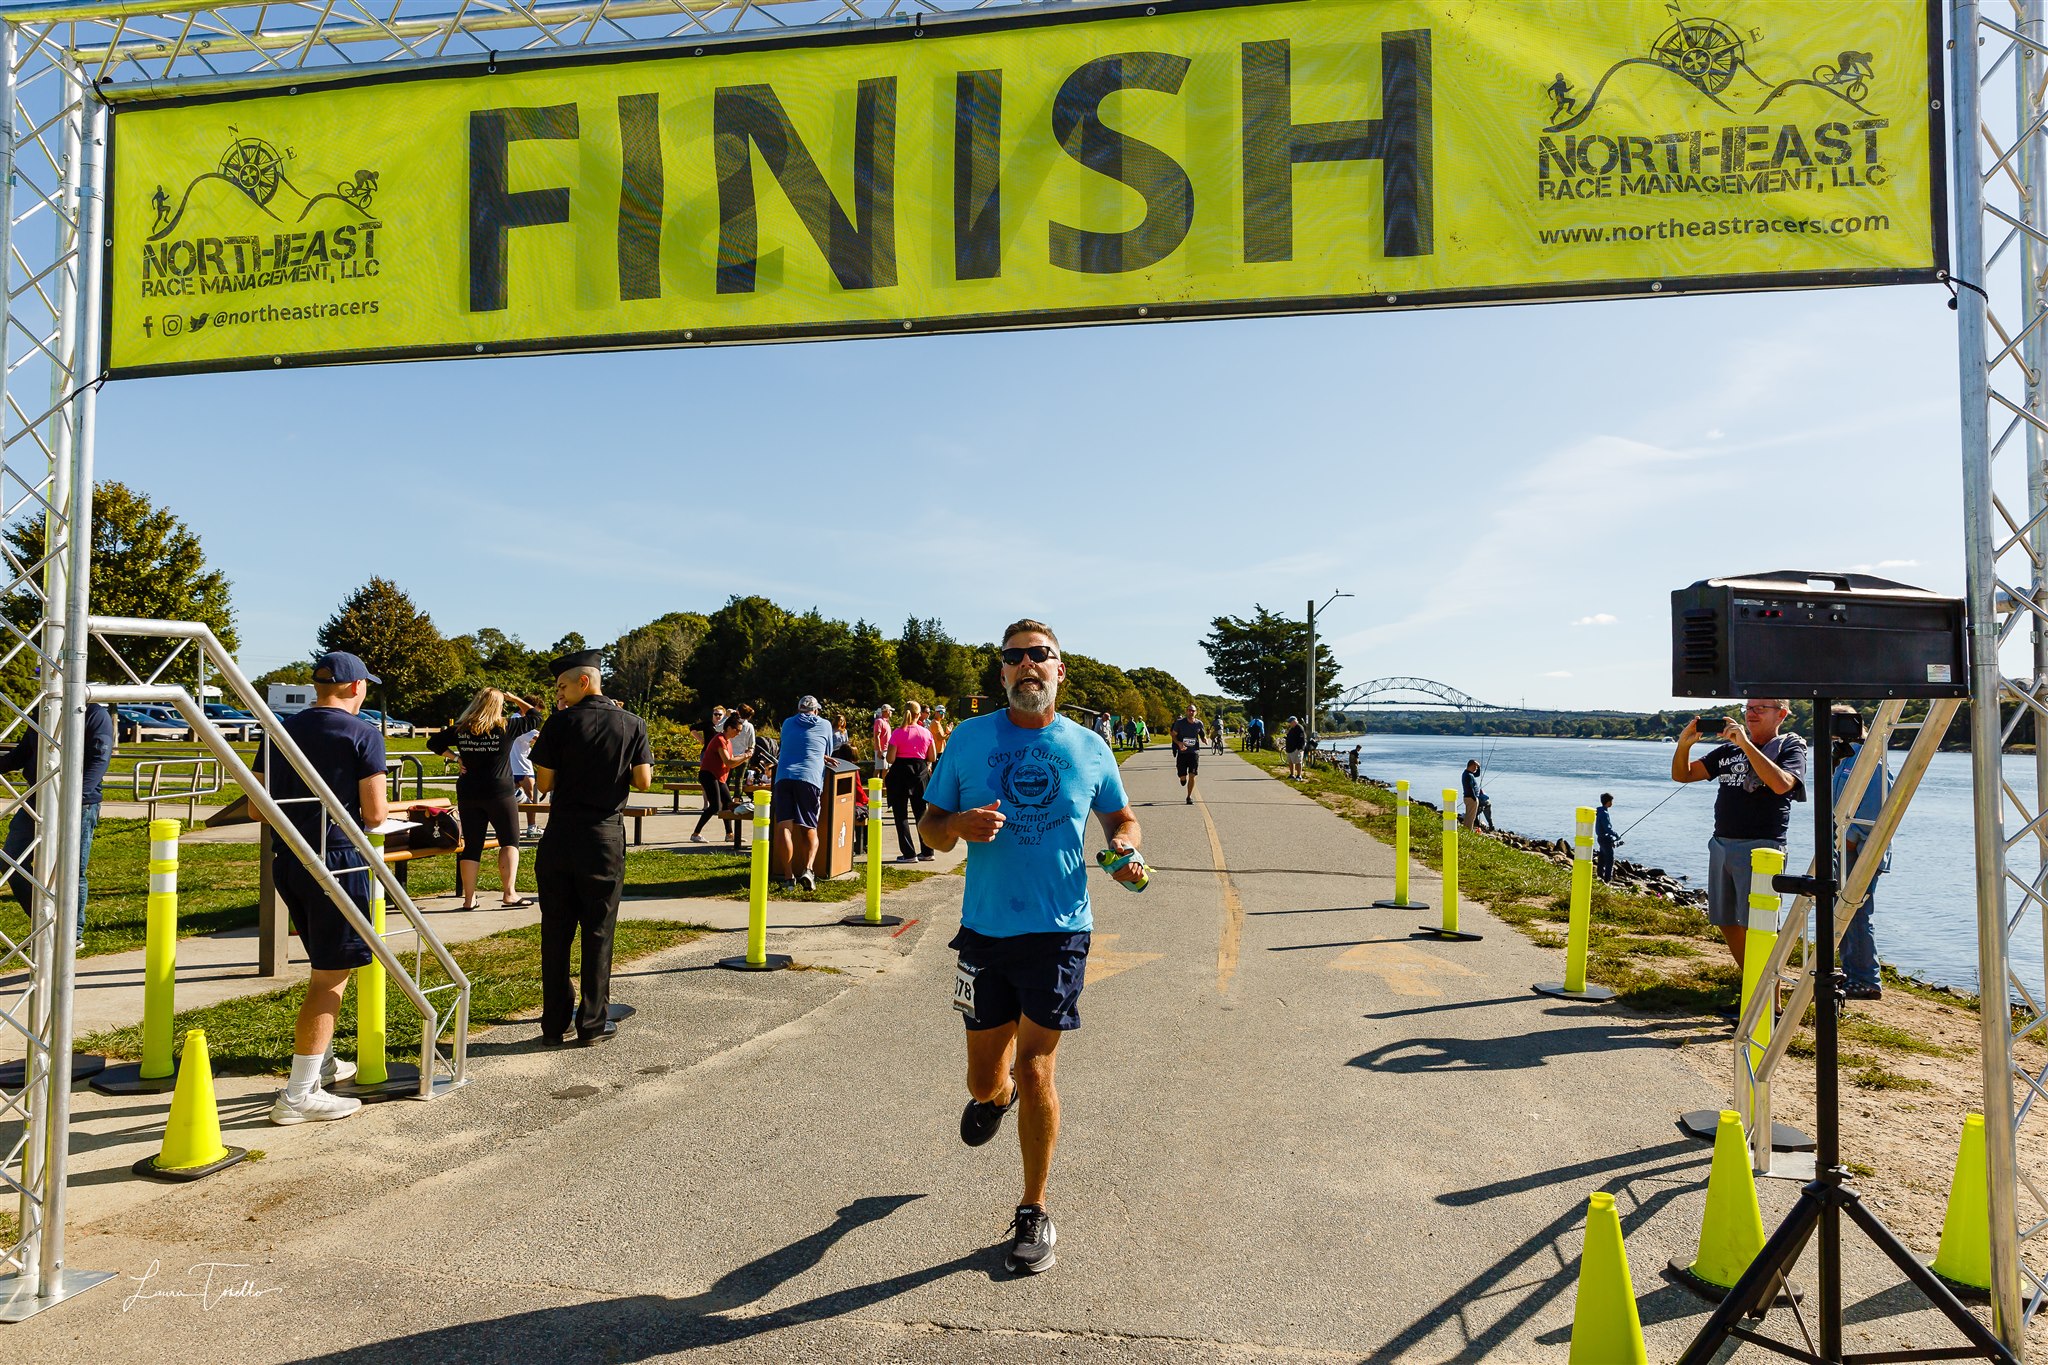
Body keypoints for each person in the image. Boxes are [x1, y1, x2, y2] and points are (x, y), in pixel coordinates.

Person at [920, 618, 1143, 1276]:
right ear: (1002, 673)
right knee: (985, 1078)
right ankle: (994, 1099)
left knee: (1036, 1068)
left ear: (1059, 669)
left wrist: (1126, 846)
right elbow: (930, 828)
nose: (1027, 666)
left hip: (1060, 930)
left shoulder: (1090, 746)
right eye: (1013, 658)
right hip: (985, 932)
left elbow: (1120, 817)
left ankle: (1033, 1207)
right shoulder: (967, 739)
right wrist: (957, 824)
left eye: (1038, 655)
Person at [253, 652, 386, 1124]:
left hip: (289, 859)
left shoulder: (280, 729)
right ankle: (297, 1095)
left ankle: (322, 1063)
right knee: (331, 976)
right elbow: (374, 815)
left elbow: (256, 809)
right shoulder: (363, 733)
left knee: (322, 963)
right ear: (355, 688)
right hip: (338, 863)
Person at [530, 649, 654, 1046]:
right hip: (604, 835)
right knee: (599, 931)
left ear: (585, 681)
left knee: (556, 931)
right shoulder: (633, 724)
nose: (559, 695)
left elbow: (544, 784)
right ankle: (592, 1023)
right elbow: (644, 781)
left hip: (562, 833)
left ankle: (554, 1024)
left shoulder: (559, 724)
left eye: (563, 686)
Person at [1672, 699, 1808, 971]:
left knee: (1760, 924)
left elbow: (1782, 785)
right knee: (1725, 920)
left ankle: (1771, 1000)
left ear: (1781, 714)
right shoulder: (1727, 751)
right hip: (1722, 843)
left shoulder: (1790, 747)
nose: (1751, 714)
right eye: (1748, 708)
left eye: (1760, 708)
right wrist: (1684, 745)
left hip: (1762, 848)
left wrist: (1746, 744)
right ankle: (1754, 986)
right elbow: (1683, 775)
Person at [0, 701, 113, 948]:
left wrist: (73, 799)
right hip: (37, 800)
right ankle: (46, 924)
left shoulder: (93, 713)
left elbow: (99, 758)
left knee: (71, 870)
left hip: (78, 804)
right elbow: (22, 754)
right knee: (11, 860)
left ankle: (72, 933)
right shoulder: (41, 712)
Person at [429, 686, 542, 910]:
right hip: (500, 792)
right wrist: (515, 698)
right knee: (510, 841)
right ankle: (509, 893)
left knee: (472, 845)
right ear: (498, 706)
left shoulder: (462, 728)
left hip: (469, 791)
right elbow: (536, 716)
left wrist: (455, 757)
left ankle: (469, 899)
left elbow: (433, 743)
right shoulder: (507, 726)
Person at [1831, 706, 1893, 1001]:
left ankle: (1866, 980)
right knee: (1843, 912)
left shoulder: (1866, 758)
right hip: (1844, 849)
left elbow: (1874, 809)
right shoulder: (1842, 758)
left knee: (1856, 913)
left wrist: (1852, 842)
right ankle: (1852, 973)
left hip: (1859, 851)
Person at [773, 695, 834, 892]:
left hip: (784, 777)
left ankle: (788, 877)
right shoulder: (825, 725)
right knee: (809, 826)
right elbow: (828, 750)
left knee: (784, 826)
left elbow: (789, 745)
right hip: (809, 778)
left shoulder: (787, 723)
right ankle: (808, 870)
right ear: (816, 710)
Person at [885, 700, 936, 861]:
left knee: (901, 815)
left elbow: (891, 759)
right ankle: (928, 851)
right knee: (921, 814)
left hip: (900, 773)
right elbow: (932, 757)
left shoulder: (898, 733)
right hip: (920, 773)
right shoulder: (926, 733)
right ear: (919, 714)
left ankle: (908, 853)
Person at [691, 713, 744, 845]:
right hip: (708, 775)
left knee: (728, 804)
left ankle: (729, 834)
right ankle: (695, 834)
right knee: (714, 806)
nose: (738, 733)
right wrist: (745, 756)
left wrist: (744, 757)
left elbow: (731, 763)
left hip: (719, 777)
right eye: (737, 730)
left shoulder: (728, 742)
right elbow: (729, 762)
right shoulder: (720, 739)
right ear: (729, 728)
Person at [511, 721, 542, 839]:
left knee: (508, 799)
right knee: (532, 799)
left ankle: (510, 827)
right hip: (524, 768)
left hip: (511, 768)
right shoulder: (522, 723)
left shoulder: (510, 723)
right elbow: (538, 738)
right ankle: (531, 826)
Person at [1169, 702, 1205, 804]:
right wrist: (1179, 743)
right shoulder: (1180, 723)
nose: (1191, 712)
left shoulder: (1199, 723)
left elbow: (1202, 733)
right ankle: (1182, 778)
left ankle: (1189, 797)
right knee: (1183, 777)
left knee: (1192, 775)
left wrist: (1204, 738)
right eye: (1189, 710)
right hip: (1182, 753)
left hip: (1194, 753)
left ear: (1196, 712)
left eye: (1193, 711)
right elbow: (1173, 735)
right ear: (1186, 711)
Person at [727, 703, 757, 807]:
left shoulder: (732, 723)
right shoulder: (749, 726)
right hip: (743, 756)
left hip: (729, 754)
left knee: (726, 779)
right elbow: (752, 743)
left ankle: (723, 800)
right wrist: (749, 753)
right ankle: (737, 800)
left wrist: (728, 716)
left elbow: (718, 728)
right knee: (739, 780)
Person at [1594, 793, 1620, 881]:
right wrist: (1616, 834)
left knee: (1601, 857)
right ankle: (1607, 879)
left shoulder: (1599, 811)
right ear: (1608, 802)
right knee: (1609, 859)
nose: (1612, 803)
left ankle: (1600, 875)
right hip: (1605, 839)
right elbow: (1607, 828)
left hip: (1600, 838)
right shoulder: (1604, 813)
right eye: (1611, 801)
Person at [871, 704, 893, 778]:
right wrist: (879, 750)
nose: (891, 713)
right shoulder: (879, 721)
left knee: (885, 769)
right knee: (878, 768)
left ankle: (885, 787)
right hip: (882, 749)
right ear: (887, 711)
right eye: (890, 711)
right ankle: (875, 788)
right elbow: (877, 736)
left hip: (886, 749)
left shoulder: (886, 722)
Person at [1460, 760, 1483, 830]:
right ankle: (1468, 830)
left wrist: (1479, 767)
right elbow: (1470, 788)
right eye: (1476, 767)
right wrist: (1474, 798)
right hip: (1471, 798)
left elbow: (1477, 774)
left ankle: (1466, 829)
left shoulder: (1468, 773)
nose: (1476, 769)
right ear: (1472, 766)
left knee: (1468, 815)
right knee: (1471, 817)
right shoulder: (1468, 775)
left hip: (1468, 798)